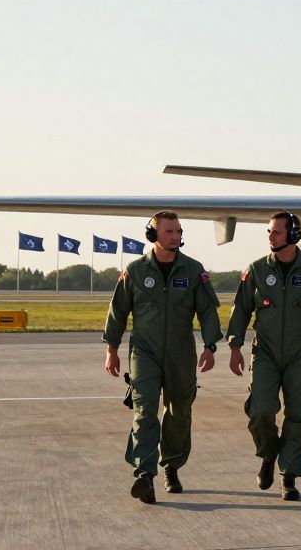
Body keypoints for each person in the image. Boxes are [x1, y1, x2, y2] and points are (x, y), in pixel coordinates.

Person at [103, 210, 222, 504]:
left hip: (181, 353)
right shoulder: (135, 271)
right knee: (144, 411)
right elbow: (117, 312)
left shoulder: (194, 271)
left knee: (178, 413)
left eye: (178, 231)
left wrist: (210, 346)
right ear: (153, 235)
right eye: (169, 232)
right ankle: (145, 475)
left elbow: (207, 311)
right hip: (144, 351)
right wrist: (111, 349)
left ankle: (171, 466)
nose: (176, 237)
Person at [227, 211, 301, 501]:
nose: (270, 237)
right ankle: (268, 454)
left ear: (293, 235)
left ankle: (288, 476)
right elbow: (241, 310)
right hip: (264, 353)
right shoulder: (255, 270)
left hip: (300, 355)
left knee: (297, 415)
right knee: (261, 410)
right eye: (268, 231)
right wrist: (234, 346)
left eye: (276, 232)